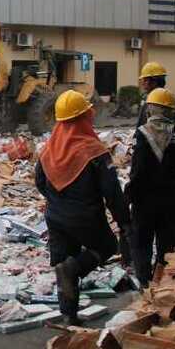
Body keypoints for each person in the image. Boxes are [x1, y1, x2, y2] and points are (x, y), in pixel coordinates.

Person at [35, 90, 131, 325]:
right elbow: (112, 191)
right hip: (85, 217)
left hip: (55, 216)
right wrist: (124, 221)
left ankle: (68, 315)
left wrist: (57, 200)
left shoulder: (48, 150)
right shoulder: (93, 151)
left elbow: (40, 182)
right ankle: (74, 269)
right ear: (83, 118)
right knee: (106, 246)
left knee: (63, 262)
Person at [126, 88, 175, 286]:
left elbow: (137, 171)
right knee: (167, 244)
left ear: (150, 110)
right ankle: (162, 283)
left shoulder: (142, 135)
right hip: (170, 199)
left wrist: (129, 195)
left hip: (144, 200)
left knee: (141, 243)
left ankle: (144, 281)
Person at [135, 61, 168, 126]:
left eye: (144, 80)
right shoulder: (147, 96)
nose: (142, 83)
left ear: (154, 81)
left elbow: (156, 126)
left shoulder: (158, 98)